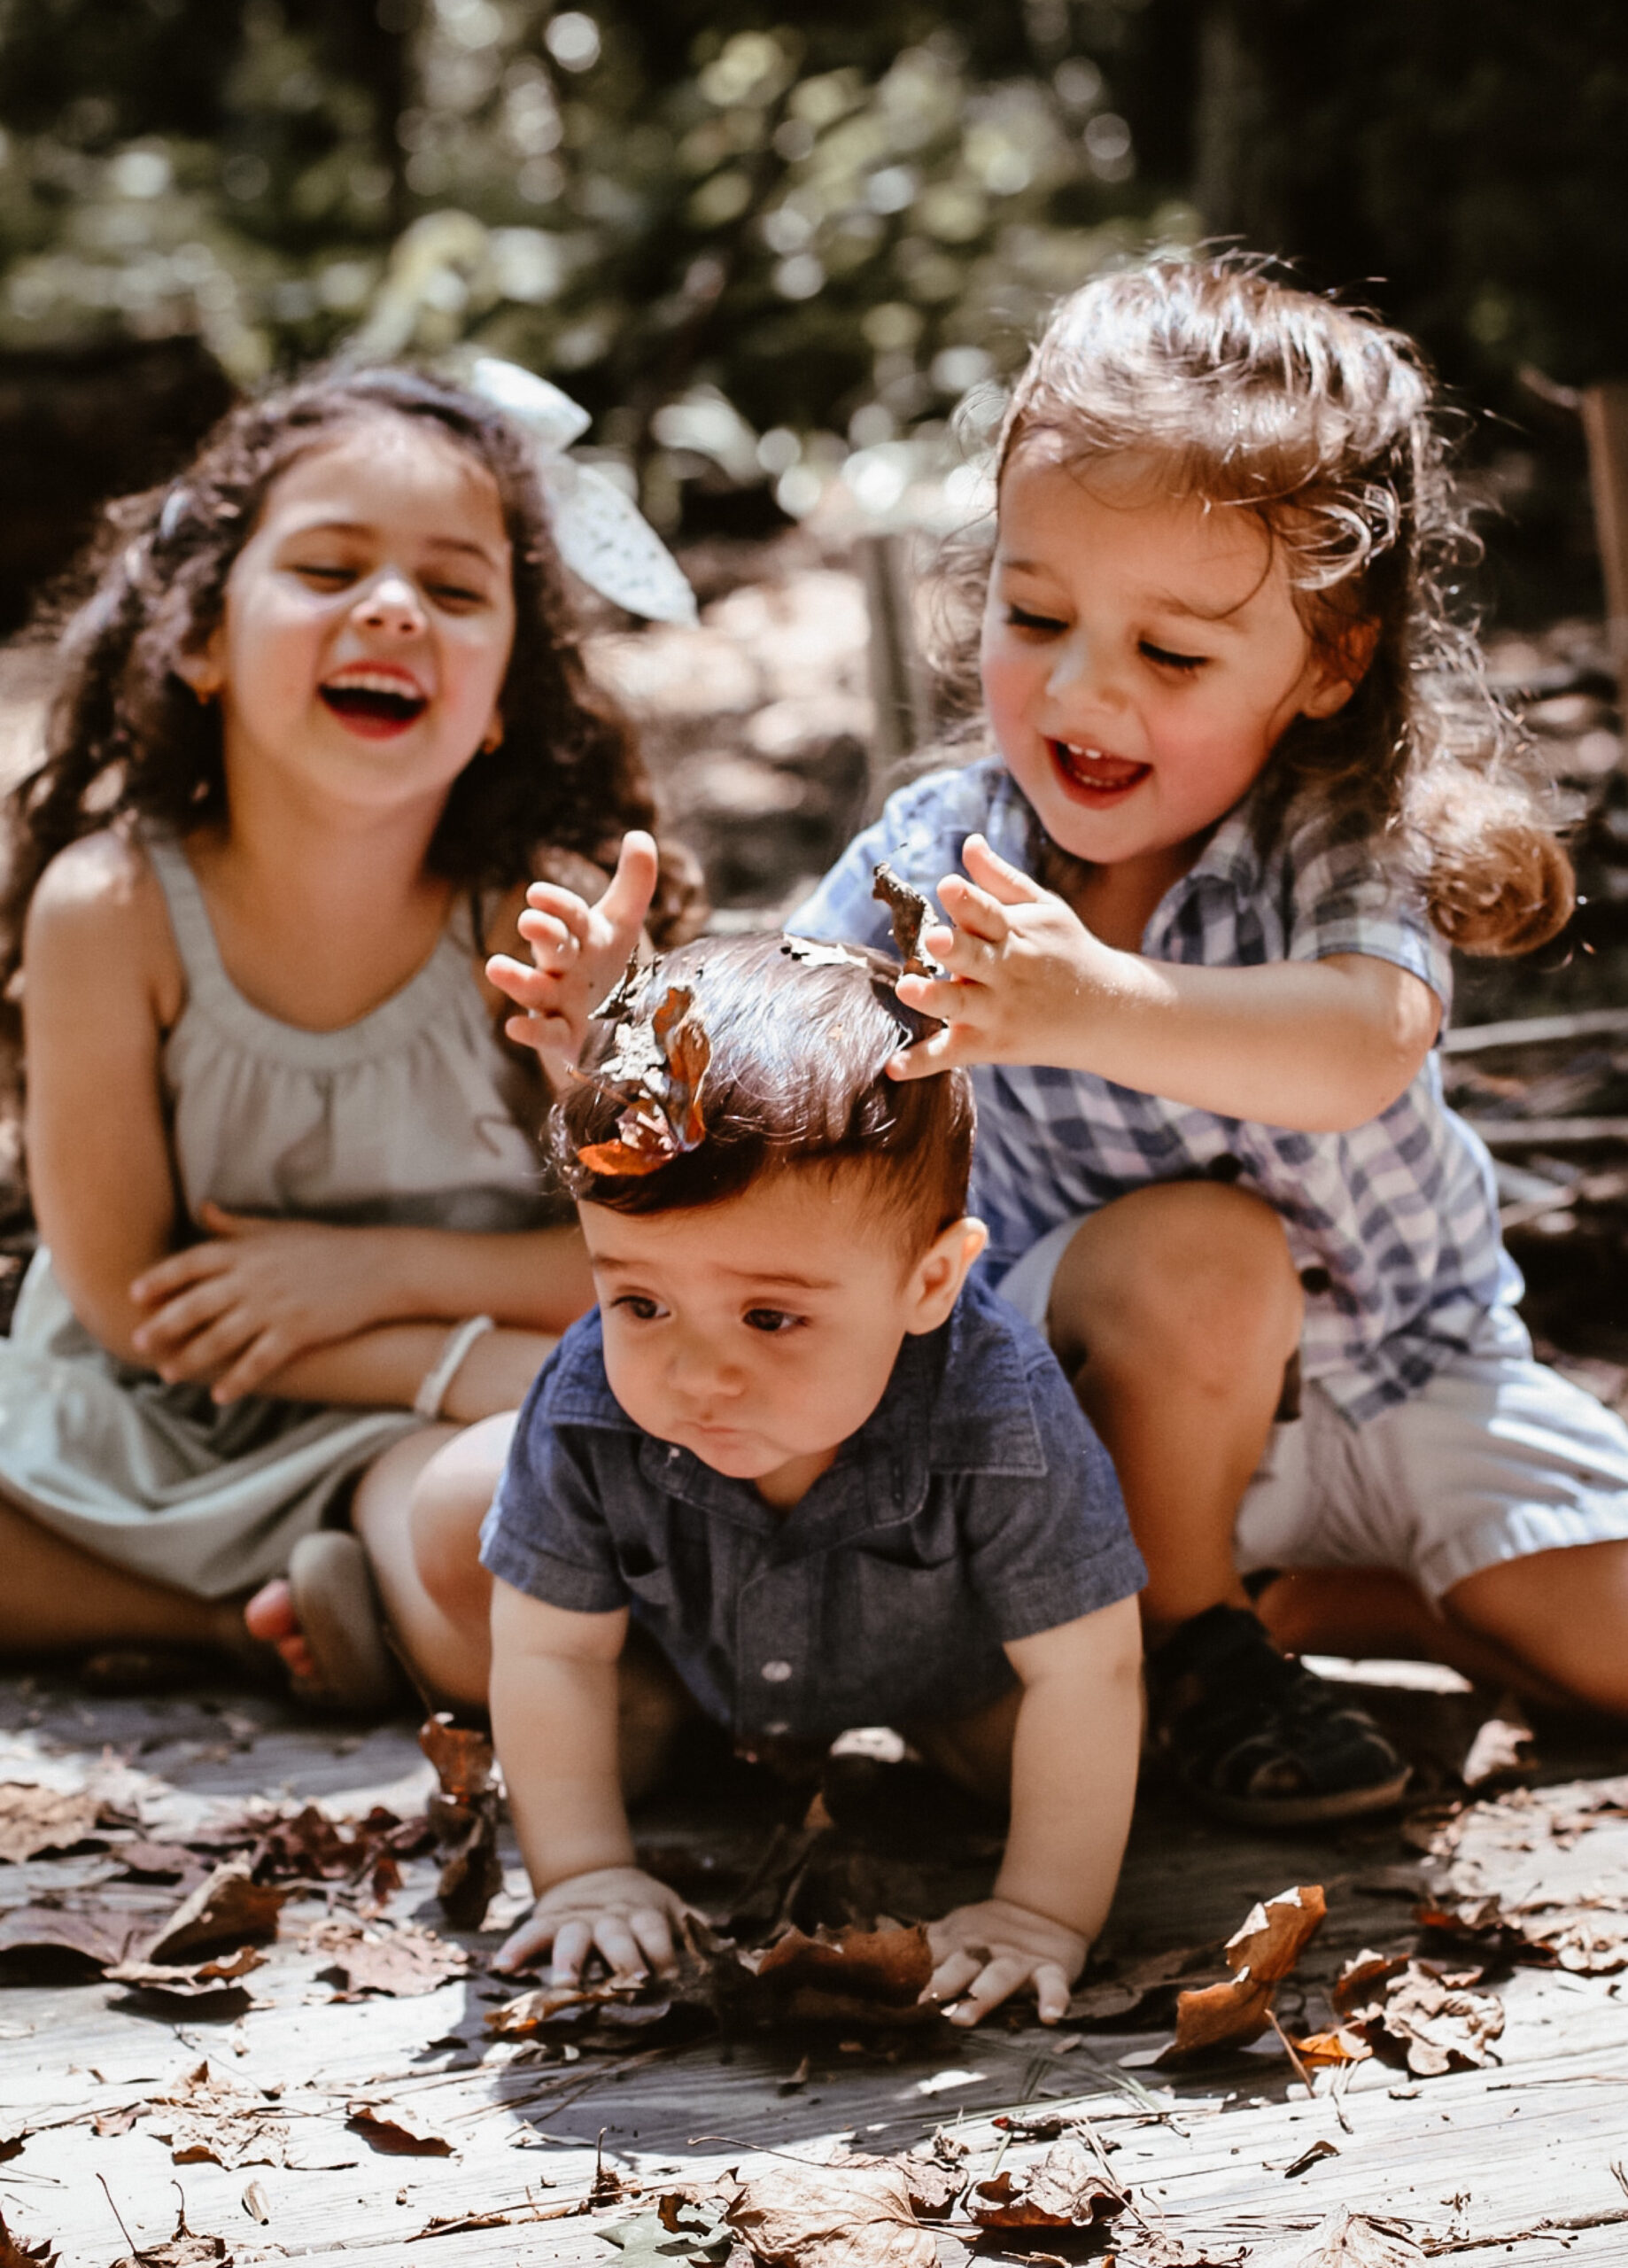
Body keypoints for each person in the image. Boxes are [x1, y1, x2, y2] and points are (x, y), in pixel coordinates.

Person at [492, 256, 1628, 1829]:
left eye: (1170, 654)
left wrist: (1096, 1003)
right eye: (1036, 614)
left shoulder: (1337, 840)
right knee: (1198, 1256)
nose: (1083, 689)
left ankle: (1286, 1605)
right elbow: (785, 1077)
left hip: (1411, 1363)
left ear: (1329, 658)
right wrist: (621, 1022)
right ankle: (1184, 1638)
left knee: (1599, 1645)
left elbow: (1362, 1044)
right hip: (1094, 1392)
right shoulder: (938, 851)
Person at [0, 362, 701, 1711]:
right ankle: (229, 1623)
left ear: (503, 691)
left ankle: (376, 1597)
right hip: (142, 1425)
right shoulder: (113, 907)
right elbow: (126, 1304)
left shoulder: (538, 914)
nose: (391, 608)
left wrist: (380, 1286)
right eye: (328, 568)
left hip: (434, 1412)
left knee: (505, 1525)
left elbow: (666, 1249)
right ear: (198, 639)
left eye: (452, 590)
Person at [479, 935, 1144, 2026]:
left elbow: (1090, 1672)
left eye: (769, 1316)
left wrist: (1040, 1911)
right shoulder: (589, 1398)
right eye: (639, 1302)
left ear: (928, 1281)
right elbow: (547, 1649)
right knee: (596, 1715)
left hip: (951, 1679)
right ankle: (381, 1609)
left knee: (1015, 1758)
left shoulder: (993, 1407)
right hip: (689, 1667)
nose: (697, 1372)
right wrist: (584, 1870)